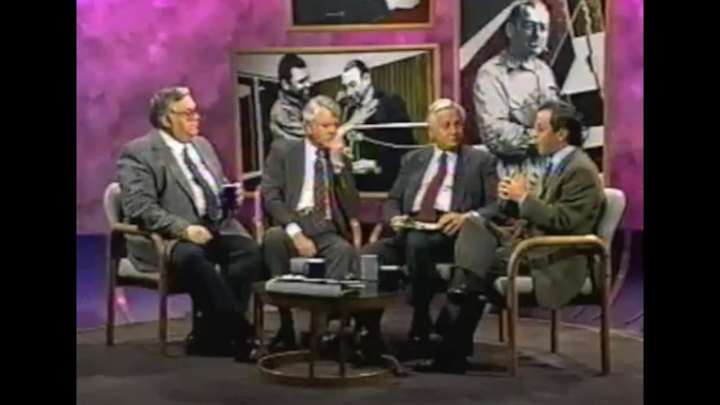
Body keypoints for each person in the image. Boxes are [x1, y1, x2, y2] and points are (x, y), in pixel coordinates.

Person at [417, 100, 605, 374]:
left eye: (540, 129)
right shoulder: (557, 164)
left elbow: (565, 221)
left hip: (556, 257)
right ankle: (453, 335)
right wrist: (511, 198)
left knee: (474, 271)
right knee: (474, 227)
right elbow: (534, 212)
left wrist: (525, 197)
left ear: (561, 134)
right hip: (528, 246)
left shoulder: (580, 170)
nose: (533, 135)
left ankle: (449, 343)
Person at [117, 86, 263, 361]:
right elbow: (140, 208)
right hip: (168, 237)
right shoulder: (138, 152)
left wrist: (229, 199)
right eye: (188, 113)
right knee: (193, 257)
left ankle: (209, 337)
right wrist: (184, 229)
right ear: (165, 119)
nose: (196, 118)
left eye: (196, 112)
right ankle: (241, 333)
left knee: (248, 251)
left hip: (212, 228)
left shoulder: (202, 145)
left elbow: (216, 187)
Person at [359, 99, 498, 351]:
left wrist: (466, 217)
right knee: (368, 255)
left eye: (458, 124)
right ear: (431, 132)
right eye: (446, 126)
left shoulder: (481, 161)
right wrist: (394, 218)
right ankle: (368, 330)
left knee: (417, 243)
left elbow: (496, 205)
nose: (454, 131)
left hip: (450, 234)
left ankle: (421, 316)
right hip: (409, 229)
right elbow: (393, 199)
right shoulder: (413, 159)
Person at [261, 95, 361, 352]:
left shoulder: (340, 158)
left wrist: (338, 164)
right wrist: (295, 233)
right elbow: (271, 196)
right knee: (273, 239)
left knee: (343, 250)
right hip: (293, 223)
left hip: (326, 228)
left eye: (335, 125)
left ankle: (321, 329)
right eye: (325, 125)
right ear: (308, 127)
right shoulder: (283, 151)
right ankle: (285, 326)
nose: (332, 131)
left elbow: (352, 208)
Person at [473, 0, 559, 198]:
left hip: (549, 174)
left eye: (543, 28)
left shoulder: (544, 71)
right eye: (529, 26)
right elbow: (496, 134)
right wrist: (550, 138)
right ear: (511, 30)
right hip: (508, 178)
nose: (537, 35)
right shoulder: (491, 74)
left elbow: (559, 120)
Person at [338, 59, 415, 192]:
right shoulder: (350, 110)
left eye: (352, 85)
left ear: (366, 79)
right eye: (346, 87)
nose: (349, 92)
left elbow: (406, 147)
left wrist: (376, 165)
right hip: (358, 186)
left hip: (386, 185)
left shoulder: (390, 103)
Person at [269, 53, 313, 142]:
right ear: (285, 84)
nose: (308, 84)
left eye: (308, 79)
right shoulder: (282, 111)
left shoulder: (303, 103)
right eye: (301, 81)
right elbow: (314, 137)